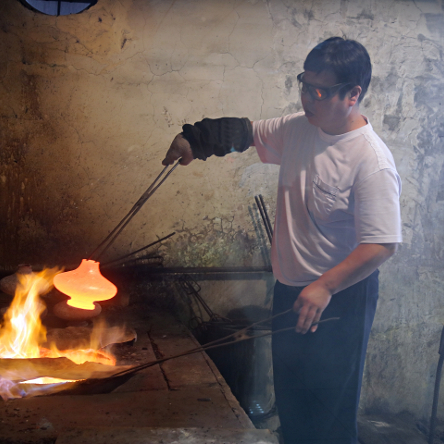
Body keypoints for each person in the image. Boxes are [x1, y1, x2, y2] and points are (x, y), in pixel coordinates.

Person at [162, 37, 402, 444]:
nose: (308, 97)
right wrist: (196, 140)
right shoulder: (299, 127)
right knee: (292, 406)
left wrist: (325, 286)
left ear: (353, 95)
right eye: (304, 85)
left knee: (327, 416)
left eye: (319, 91)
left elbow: (381, 244)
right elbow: (247, 133)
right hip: (292, 289)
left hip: (338, 299)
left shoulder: (371, 161)